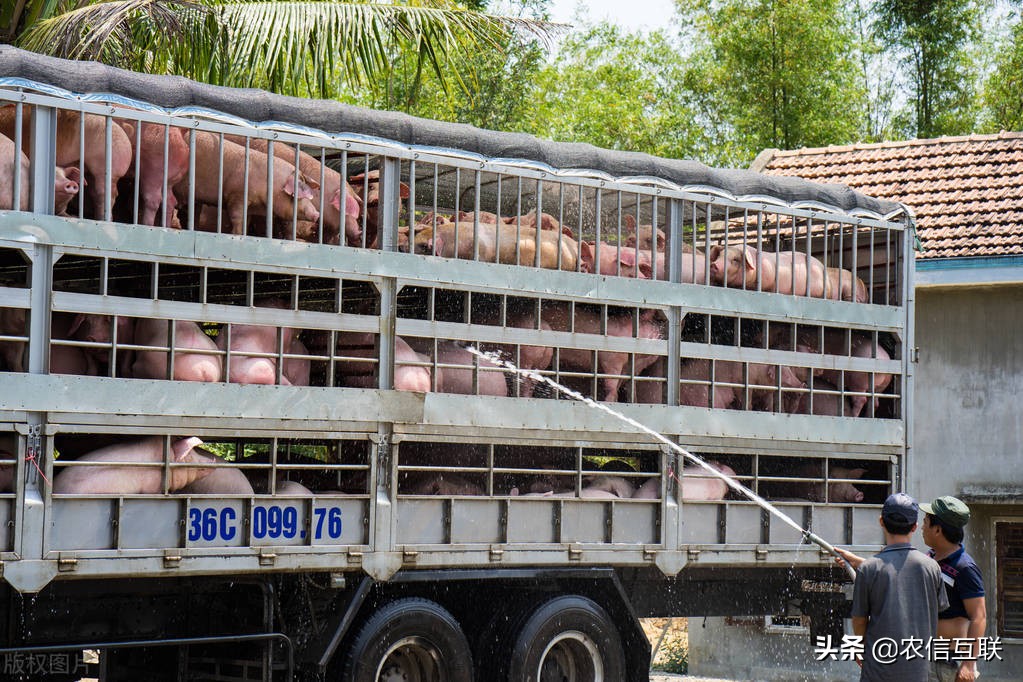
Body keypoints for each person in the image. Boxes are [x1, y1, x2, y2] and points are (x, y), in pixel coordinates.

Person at [833, 493, 948, 682]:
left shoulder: (869, 569)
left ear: (881, 522)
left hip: (877, 672)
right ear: (914, 527)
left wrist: (859, 647)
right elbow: (937, 611)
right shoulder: (931, 567)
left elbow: (859, 620)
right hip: (919, 671)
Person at [920, 496, 986, 682]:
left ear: (938, 530)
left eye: (925, 522)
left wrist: (969, 663)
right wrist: (860, 563)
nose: (922, 527)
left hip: (952, 662)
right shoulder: (930, 558)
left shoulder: (965, 568)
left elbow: (979, 617)